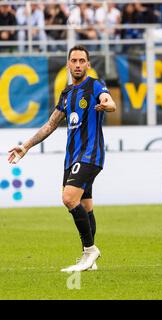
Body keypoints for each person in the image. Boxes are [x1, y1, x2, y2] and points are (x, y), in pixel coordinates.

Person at [7, 45, 116, 272]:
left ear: (88, 64)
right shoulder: (66, 94)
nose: (77, 64)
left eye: (82, 61)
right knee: (85, 206)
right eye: (74, 60)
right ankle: (90, 260)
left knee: (68, 198)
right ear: (68, 64)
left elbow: (109, 100)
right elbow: (50, 125)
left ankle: (90, 251)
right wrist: (25, 146)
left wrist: (108, 105)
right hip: (72, 157)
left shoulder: (95, 85)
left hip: (90, 154)